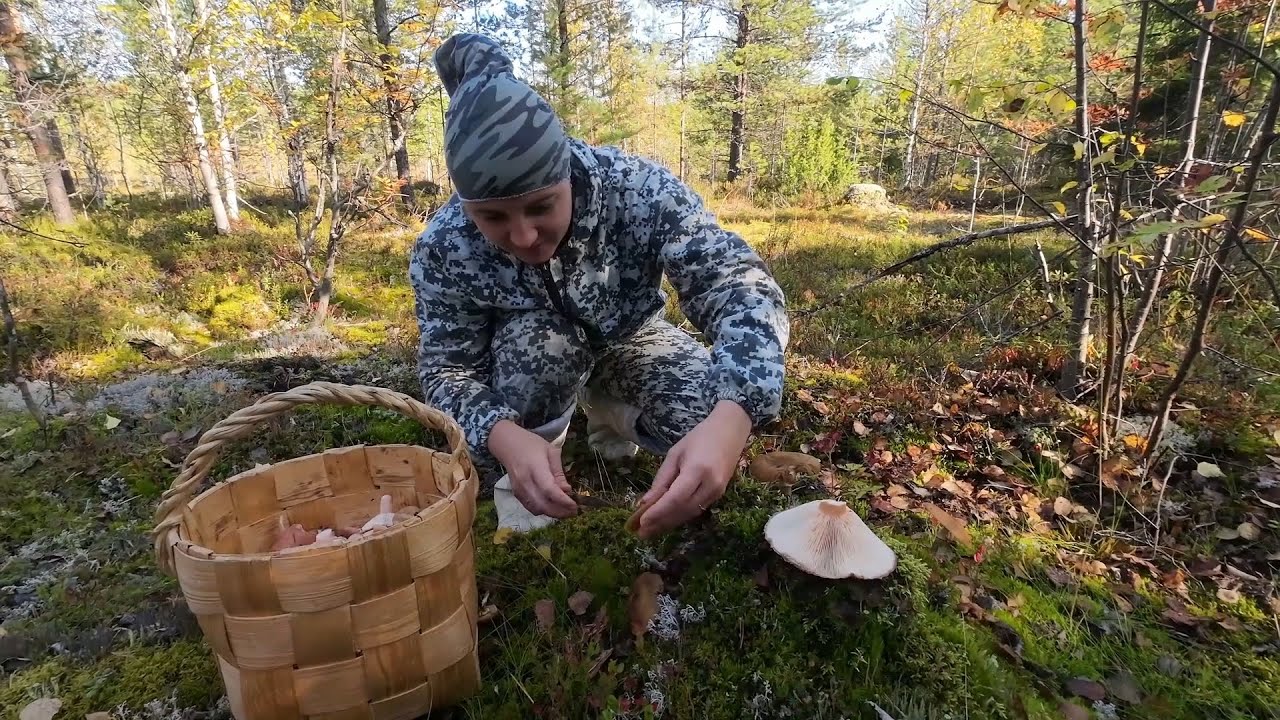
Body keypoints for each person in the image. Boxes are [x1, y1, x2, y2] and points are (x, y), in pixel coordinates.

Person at [410, 32, 789, 539]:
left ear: (567, 168)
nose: (523, 236)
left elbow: (737, 285)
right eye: (492, 217)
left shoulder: (635, 189)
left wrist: (735, 414)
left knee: (706, 418)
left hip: (634, 339)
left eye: (542, 206)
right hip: (529, 362)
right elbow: (446, 372)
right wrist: (502, 435)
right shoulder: (445, 246)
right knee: (546, 345)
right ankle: (525, 488)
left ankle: (608, 414)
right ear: (465, 205)